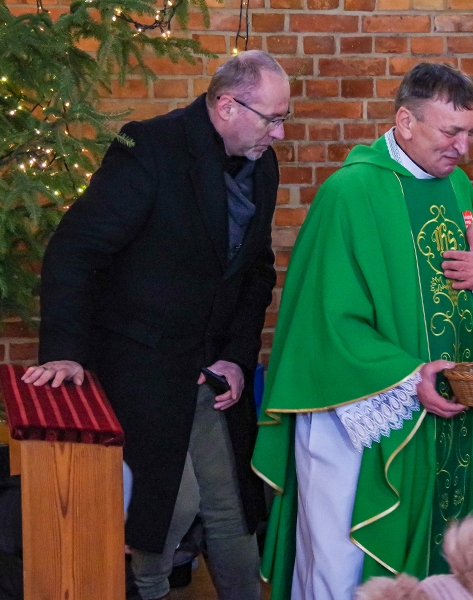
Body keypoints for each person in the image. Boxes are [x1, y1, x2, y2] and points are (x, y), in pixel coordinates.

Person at [21, 50, 289, 600]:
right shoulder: (150, 148)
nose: (279, 133)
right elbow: (74, 251)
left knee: (233, 506)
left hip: (210, 372)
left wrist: (236, 360)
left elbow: (255, 273)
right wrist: (65, 352)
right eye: (272, 118)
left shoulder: (262, 164)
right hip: (138, 365)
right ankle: (149, 591)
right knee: (168, 503)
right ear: (227, 105)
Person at [251, 62, 473, 600]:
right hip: (358, 414)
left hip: (449, 412)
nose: (463, 148)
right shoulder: (350, 194)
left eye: (472, 134)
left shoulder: (460, 189)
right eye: (451, 133)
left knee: (446, 556)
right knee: (343, 561)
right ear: (405, 122)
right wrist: (408, 374)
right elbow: (325, 323)